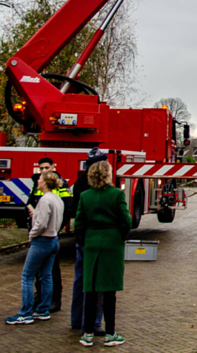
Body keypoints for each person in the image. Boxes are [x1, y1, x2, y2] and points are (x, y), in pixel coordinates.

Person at [75, 159, 131, 347]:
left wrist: (85, 240)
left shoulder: (85, 196)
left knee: (90, 290)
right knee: (109, 292)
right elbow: (125, 220)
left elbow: (79, 223)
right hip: (112, 243)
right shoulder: (116, 194)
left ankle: (88, 333)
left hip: (91, 243)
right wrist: (120, 237)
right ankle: (110, 333)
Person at [5, 170, 64, 325]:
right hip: (53, 239)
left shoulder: (45, 200)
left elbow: (42, 223)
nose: (37, 181)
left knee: (27, 276)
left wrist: (32, 234)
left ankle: (25, 313)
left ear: (45, 182)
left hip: (42, 240)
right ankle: (43, 309)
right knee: (46, 276)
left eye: (40, 179)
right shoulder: (57, 199)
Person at [71, 148, 106, 334]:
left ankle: (76, 319)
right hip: (98, 242)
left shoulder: (78, 184)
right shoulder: (107, 191)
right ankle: (93, 323)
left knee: (80, 279)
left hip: (82, 240)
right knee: (98, 283)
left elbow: (77, 215)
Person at [30, 156, 72, 312]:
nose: (43, 171)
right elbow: (30, 201)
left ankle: (55, 300)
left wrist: (57, 228)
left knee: (51, 270)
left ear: (53, 168)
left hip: (49, 233)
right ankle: (39, 296)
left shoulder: (60, 185)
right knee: (39, 270)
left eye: (46, 168)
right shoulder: (37, 184)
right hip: (39, 232)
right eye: (41, 168)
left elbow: (68, 208)